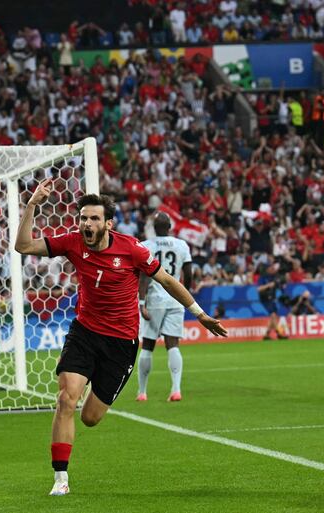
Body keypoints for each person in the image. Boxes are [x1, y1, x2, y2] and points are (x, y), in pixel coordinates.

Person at [15, 181, 226, 496]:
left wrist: (198, 313)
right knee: (65, 399)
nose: (87, 224)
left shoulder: (131, 248)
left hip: (121, 343)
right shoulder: (73, 243)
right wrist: (32, 205)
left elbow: (167, 280)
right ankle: (61, 479)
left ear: (108, 223)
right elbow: (23, 247)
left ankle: (92, 398)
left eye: (94, 219)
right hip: (84, 333)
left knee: (90, 417)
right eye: (83, 218)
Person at [136, 212, 193, 402]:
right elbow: (188, 272)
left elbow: (143, 277)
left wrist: (141, 303)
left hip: (154, 300)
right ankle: (176, 390)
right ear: (170, 227)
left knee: (148, 346)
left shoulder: (146, 246)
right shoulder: (181, 245)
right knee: (173, 345)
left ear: (153, 227)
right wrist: (186, 294)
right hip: (175, 299)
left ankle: (142, 392)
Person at [258, 263, 288, 340]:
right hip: (265, 299)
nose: (273, 270)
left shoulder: (275, 277)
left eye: (273, 268)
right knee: (273, 315)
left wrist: (283, 286)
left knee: (273, 317)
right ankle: (279, 333)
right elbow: (258, 289)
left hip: (272, 298)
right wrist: (268, 285)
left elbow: (280, 285)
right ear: (268, 269)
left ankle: (266, 334)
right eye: (271, 268)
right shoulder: (263, 278)